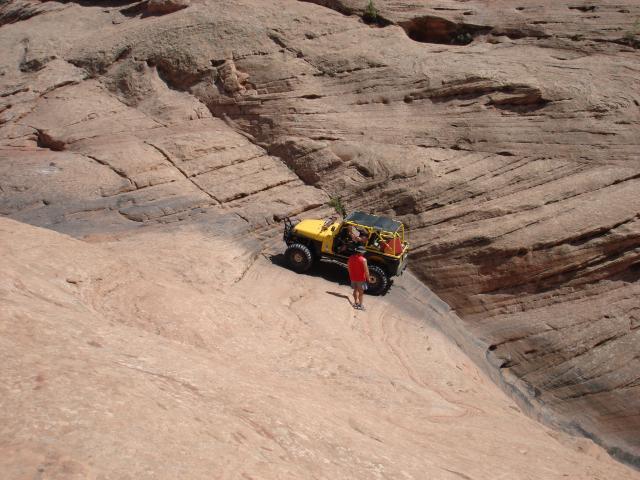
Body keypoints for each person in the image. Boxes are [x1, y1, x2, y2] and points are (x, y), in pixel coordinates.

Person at [347, 245, 372, 310]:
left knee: (355, 290)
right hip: (361, 279)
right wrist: (368, 279)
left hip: (353, 277)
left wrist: (350, 275)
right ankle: (360, 305)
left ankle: (356, 302)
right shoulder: (364, 260)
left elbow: (348, 267)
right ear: (361, 252)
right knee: (361, 292)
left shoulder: (351, 257)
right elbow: (366, 271)